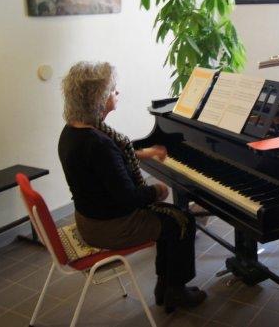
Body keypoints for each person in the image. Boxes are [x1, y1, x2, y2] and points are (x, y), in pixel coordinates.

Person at [58, 61, 206, 312]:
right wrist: (158, 190)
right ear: (97, 99)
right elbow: (130, 198)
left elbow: (109, 162)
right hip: (109, 226)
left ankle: (166, 286)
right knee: (182, 220)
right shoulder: (98, 144)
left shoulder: (73, 131)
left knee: (171, 219)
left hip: (91, 217)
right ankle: (175, 291)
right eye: (112, 90)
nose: (117, 92)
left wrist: (146, 153)